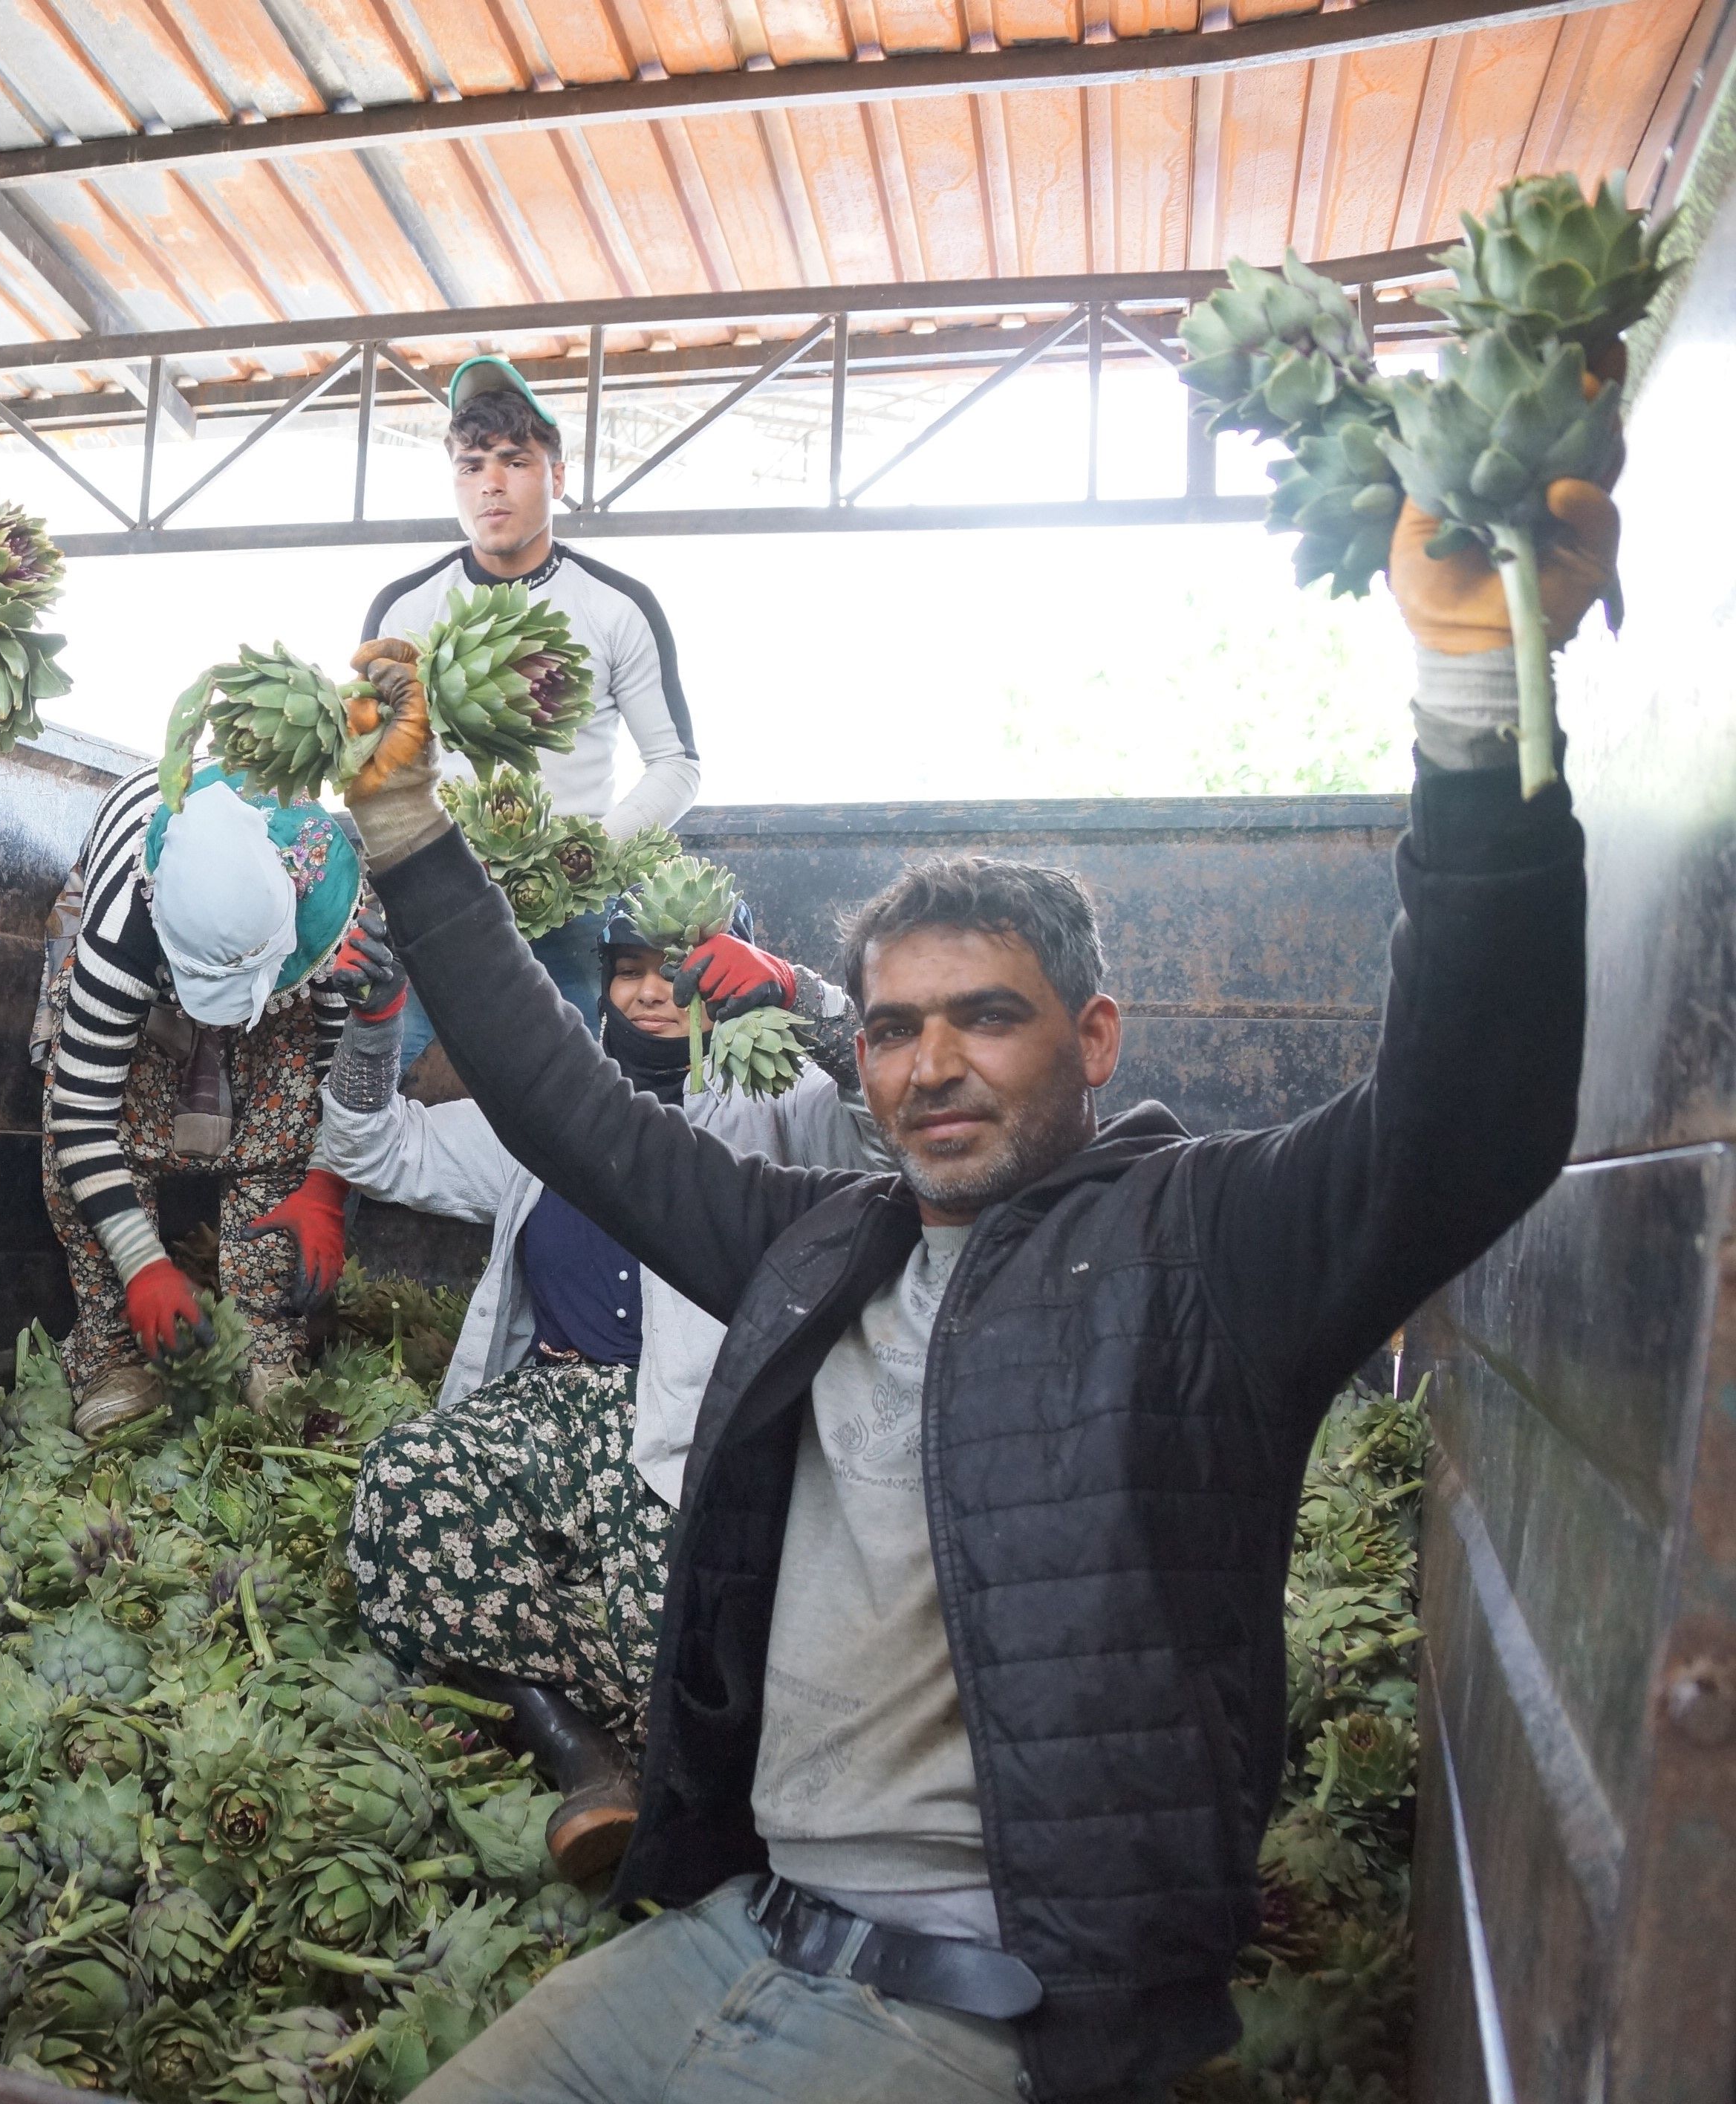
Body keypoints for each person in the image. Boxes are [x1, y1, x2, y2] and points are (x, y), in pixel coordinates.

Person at [334, 484, 1610, 2102]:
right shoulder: (817, 1243)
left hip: (974, 2011)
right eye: (888, 1028)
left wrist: (1472, 702)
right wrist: (406, 835)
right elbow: (564, 1111)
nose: (928, 1063)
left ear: (1089, 1040)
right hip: (730, 1936)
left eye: (984, 1017)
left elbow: (1462, 1124)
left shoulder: (1204, 1250)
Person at [322, 893, 870, 1885]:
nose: (654, 989)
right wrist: (370, 1027)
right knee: (406, 1477)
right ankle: (574, 1751)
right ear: (601, 986)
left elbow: (889, 1124)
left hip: (683, 1429)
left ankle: (607, 1725)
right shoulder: (549, 1115)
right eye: (629, 968)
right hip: (542, 1411)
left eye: (683, 966)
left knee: (665, 1653)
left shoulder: (777, 1109)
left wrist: (808, 998)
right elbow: (376, 1149)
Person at [362, 357, 700, 1039]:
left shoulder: (618, 606)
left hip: (569, 918)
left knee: (564, 1120)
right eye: (471, 464)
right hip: (433, 903)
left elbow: (676, 763)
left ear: (559, 475)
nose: (490, 484)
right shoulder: (404, 611)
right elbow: (375, 767)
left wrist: (584, 855)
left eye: (515, 461)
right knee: (404, 1110)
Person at [39, 763, 361, 1436]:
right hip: (144, 994)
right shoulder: (123, 924)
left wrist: (326, 1184)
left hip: (279, 975)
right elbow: (82, 1113)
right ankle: (114, 1351)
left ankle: (265, 1345)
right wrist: (144, 1267)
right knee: (74, 1117)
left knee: (290, 1109)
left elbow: (337, 1082)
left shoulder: (330, 909)